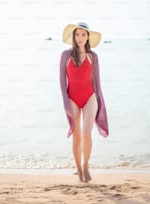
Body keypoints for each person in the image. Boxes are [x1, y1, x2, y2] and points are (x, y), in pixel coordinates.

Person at [59, 22, 109, 182]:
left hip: (90, 98)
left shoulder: (93, 56)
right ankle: (79, 169)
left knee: (87, 134)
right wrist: (65, 101)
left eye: (83, 35)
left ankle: (86, 164)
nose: (80, 38)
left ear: (88, 37)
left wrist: (100, 101)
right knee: (77, 137)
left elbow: (97, 82)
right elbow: (61, 80)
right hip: (72, 98)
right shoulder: (65, 55)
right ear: (73, 36)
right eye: (77, 34)